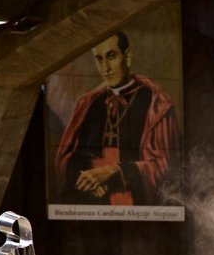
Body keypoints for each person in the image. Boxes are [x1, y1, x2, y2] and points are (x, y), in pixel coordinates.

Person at [54, 31, 180, 206]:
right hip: (91, 209)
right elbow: (64, 158)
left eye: (111, 56)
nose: (106, 68)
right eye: (99, 59)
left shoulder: (156, 104)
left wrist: (116, 172)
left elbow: (167, 167)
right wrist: (89, 176)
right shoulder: (87, 104)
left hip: (137, 208)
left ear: (127, 57)